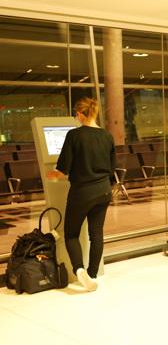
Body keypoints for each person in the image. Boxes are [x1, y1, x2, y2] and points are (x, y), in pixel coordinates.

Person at [46, 97, 115, 292]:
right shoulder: (107, 136)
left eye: (76, 115)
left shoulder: (74, 135)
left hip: (83, 192)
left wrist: (53, 175)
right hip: (104, 190)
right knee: (96, 233)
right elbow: (112, 167)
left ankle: (79, 270)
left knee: (71, 234)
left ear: (80, 114)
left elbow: (63, 168)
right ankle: (92, 273)